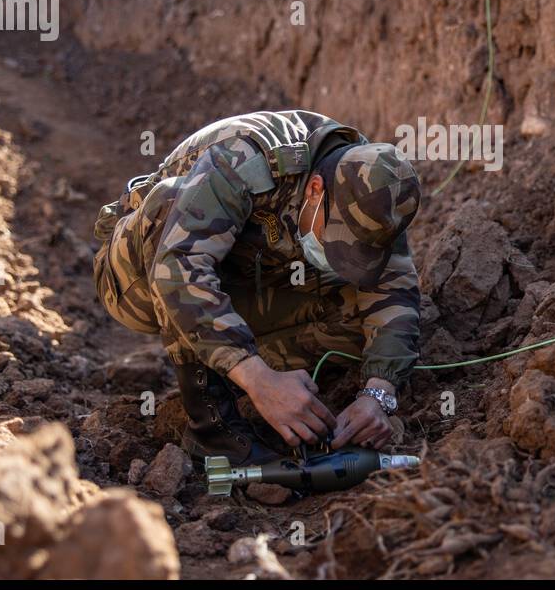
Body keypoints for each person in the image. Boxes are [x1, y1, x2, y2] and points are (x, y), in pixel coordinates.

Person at [92, 110, 421, 466]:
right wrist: (258, 379)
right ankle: (211, 426)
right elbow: (180, 266)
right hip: (138, 278)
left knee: (358, 314)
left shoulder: (378, 187)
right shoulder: (245, 157)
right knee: (172, 207)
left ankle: (237, 369)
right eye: (336, 239)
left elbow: (393, 287)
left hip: (255, 274)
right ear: (315, 189)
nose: (338, 252)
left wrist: (378, 393)